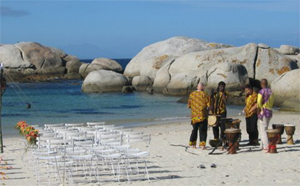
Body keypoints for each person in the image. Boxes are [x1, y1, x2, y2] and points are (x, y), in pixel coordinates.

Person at [188, 82, 209, 149]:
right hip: (203, 115)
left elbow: (189, 105)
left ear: (197, 87)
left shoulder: (192, 94)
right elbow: (209, 105)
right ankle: (202, 145)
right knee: (203, 130)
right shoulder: (205, 94)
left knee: (194, 130)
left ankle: (193, 144)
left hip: (194, 116)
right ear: (202, 87)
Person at [257, 79, 274, 151]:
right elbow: (272, 101)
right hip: (269, 111)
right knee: (266, 128)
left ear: (261, 84)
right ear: (267, 83)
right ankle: (263, 144)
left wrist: (259, 109)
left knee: (262, 130)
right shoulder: (271, 91)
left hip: (263, 111)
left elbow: (259, 102)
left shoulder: (261, 91)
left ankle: (266, 146)